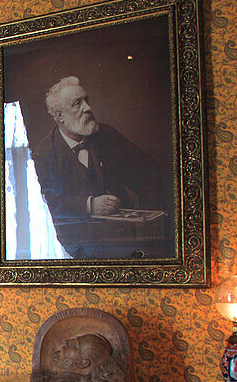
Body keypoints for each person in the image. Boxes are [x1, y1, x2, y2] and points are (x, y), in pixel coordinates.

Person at [30, 76, 161, 254]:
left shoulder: (108, 135)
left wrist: (144, 222)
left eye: (87, 100)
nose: (88, 108)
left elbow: (147, 172)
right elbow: (52, 201)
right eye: (78, 103)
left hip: (126, 240)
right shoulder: (45, 154)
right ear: (59, 115)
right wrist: (89, 205)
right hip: (80, 246)